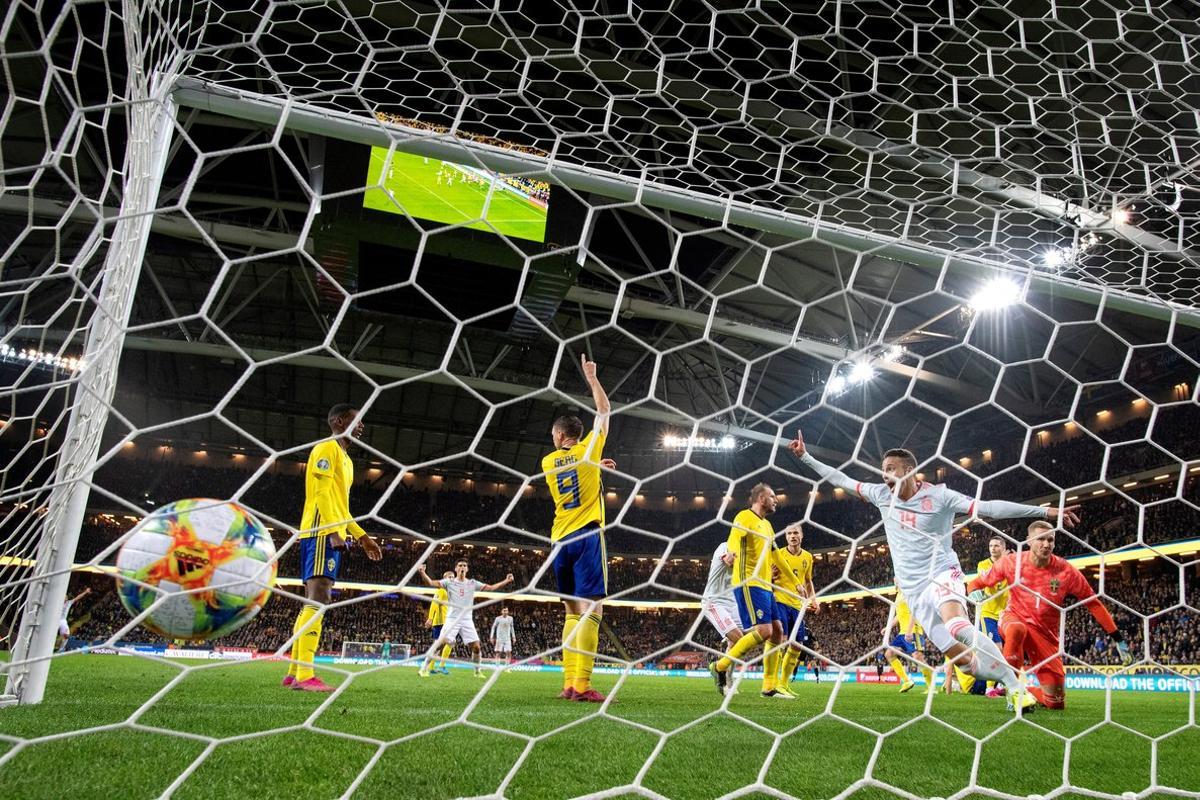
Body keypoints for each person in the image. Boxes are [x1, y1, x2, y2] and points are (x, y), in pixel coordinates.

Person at [788, 429, 1079, 713]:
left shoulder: (940, 496)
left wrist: (1044, 512)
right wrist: (805, 457)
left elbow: (989, 508)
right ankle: (1009, 683)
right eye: (882, 469)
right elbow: (842, 479)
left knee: (958, 626)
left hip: (942, 572)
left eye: (891, 468)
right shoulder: (880, 494)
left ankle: (1016, 689)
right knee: (966, 664)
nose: (885, 474)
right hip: (913, 590)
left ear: (911, 470)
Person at [968, 520, 1133, 709]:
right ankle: (1015, 692)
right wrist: (972, 591)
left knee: (1055, 703)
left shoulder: (1066, 571)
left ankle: (1027, 690)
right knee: (1016, 630)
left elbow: (1093, 603)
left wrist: (1118, 638)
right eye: (1040, 539)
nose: (1046, 544)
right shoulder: (1012, 562)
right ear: (1028, 540)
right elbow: (976, 583)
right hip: (1013, 617)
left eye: (1050, 540)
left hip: (1046, 634)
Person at [284, 404, 384, 692]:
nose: (362, 425)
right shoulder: (326, 448)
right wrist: (330, 531)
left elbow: (342, 507)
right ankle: (305, 675)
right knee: (319, 597)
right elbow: (321, 493)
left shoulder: (347, 459)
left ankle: (293, 671)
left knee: (312, 600)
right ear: (340, 422)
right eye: (357, 420)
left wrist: (362, 536)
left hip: (329, 530)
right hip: (319, 531)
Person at [541, 354, 611, 703]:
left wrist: (595, 462)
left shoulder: (548, 461)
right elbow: (604, 412)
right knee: (592, 609)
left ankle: (568, 683)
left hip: (558, 539)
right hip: (586, 535)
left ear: (558, 435)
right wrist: (592, 380)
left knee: (570, 611)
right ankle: (582, 686)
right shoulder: (588, 451)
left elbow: (575, 468)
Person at [708, 483, 791, 700]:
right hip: (748, 584)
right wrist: (732, 554)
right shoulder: (744, 517)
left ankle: (769, 687)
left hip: (765, 586)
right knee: (763, 632)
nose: (776, 500)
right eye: (773, 496)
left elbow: (776, 557)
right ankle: (720, 666)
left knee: (778, 631)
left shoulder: (768, 526)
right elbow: (734, 538)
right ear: (761, 498)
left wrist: (795, 581)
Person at [417, 560, 513, 678]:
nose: (462, 567)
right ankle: (424, 668)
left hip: (467, 620)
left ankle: (477, 672)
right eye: (460, 565)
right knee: (440, 644)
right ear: (456, 569)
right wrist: (422, 572)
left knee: (476, 647)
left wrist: (507, 581)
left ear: (467, 569)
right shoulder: (449, 582)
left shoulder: (472, 583)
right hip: (452, 619)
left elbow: (491, 588)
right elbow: (431, 583)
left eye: (464, 566)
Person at [771, 523, 820, 696]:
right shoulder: (778, 554)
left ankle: (783, 684)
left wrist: (814, 599)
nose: (792, 536)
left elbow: (808, 581)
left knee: (797, 645)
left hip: (798, 605)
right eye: (789, 533)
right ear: (786, 537)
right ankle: (772, 683)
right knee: (782, 639)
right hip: (780, 601)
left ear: (801, 536)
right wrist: (771, 575)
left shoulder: (807, 557)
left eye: (795, 533)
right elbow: (768, 577)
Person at [882, 590, 935, 694]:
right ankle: (907, 681)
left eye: (896, 577)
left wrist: (909, 631)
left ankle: (931, 687)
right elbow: (899, 615)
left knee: (917, 657)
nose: (894, 579)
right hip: (902, 633)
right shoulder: (899, 595)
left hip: (914, 631)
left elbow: (914, 612)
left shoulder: (909, 590)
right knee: (889, 654)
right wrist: (888, 627)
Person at [977, 535, 1010, 696]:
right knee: (995, 648)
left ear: (1003, 548)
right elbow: (988, 580)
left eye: (997, 546)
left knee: (1005, 651)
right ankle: (989, 688)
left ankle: (997, 686)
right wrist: (1003, 562)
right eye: (991, 546)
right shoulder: (982, 564)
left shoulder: (1010, 565)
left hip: (1004, 615)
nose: (993, 548)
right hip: (988, 613)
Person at [701, 540, 743, 648]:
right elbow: (729, 560)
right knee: (740, 639)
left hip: (733, 604)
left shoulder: (751, 554)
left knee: (751, 636)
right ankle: (719, 666)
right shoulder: (725, 546)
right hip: (714, 602)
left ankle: (723, 664)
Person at [424, 571, 454, 675]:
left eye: (453, 577)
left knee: (450, 643)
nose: (451, 579)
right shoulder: (441, 590)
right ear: (444, 579)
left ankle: (433, 667)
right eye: (449, 577)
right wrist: (430, 618)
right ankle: (435, 667)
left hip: (448, 622)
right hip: (441, 622)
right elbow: (434, 603)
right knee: (441, 645)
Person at [57, 587, 91, 652]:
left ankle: (61, 649)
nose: (65, 598)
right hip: (54, 619)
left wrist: (85, 592)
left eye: (66, 597)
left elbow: (78, 597)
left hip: (62, 620)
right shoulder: (57, 604)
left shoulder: (68, 603)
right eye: (64, 597)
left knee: (66, 635)